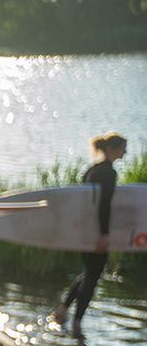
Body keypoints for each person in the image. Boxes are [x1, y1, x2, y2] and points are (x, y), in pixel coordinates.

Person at [51, 131, 127, 330]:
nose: (125, 153)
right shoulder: (109, 173)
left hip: (84, 230)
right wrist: (103, 234)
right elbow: (104, 205)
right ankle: (77, 323)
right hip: (97, 232)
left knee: (88, 273)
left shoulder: (92, 170)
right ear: (113, 149)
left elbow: (83, 202)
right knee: (92, 278)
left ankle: (62, 310)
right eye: (123, 148)